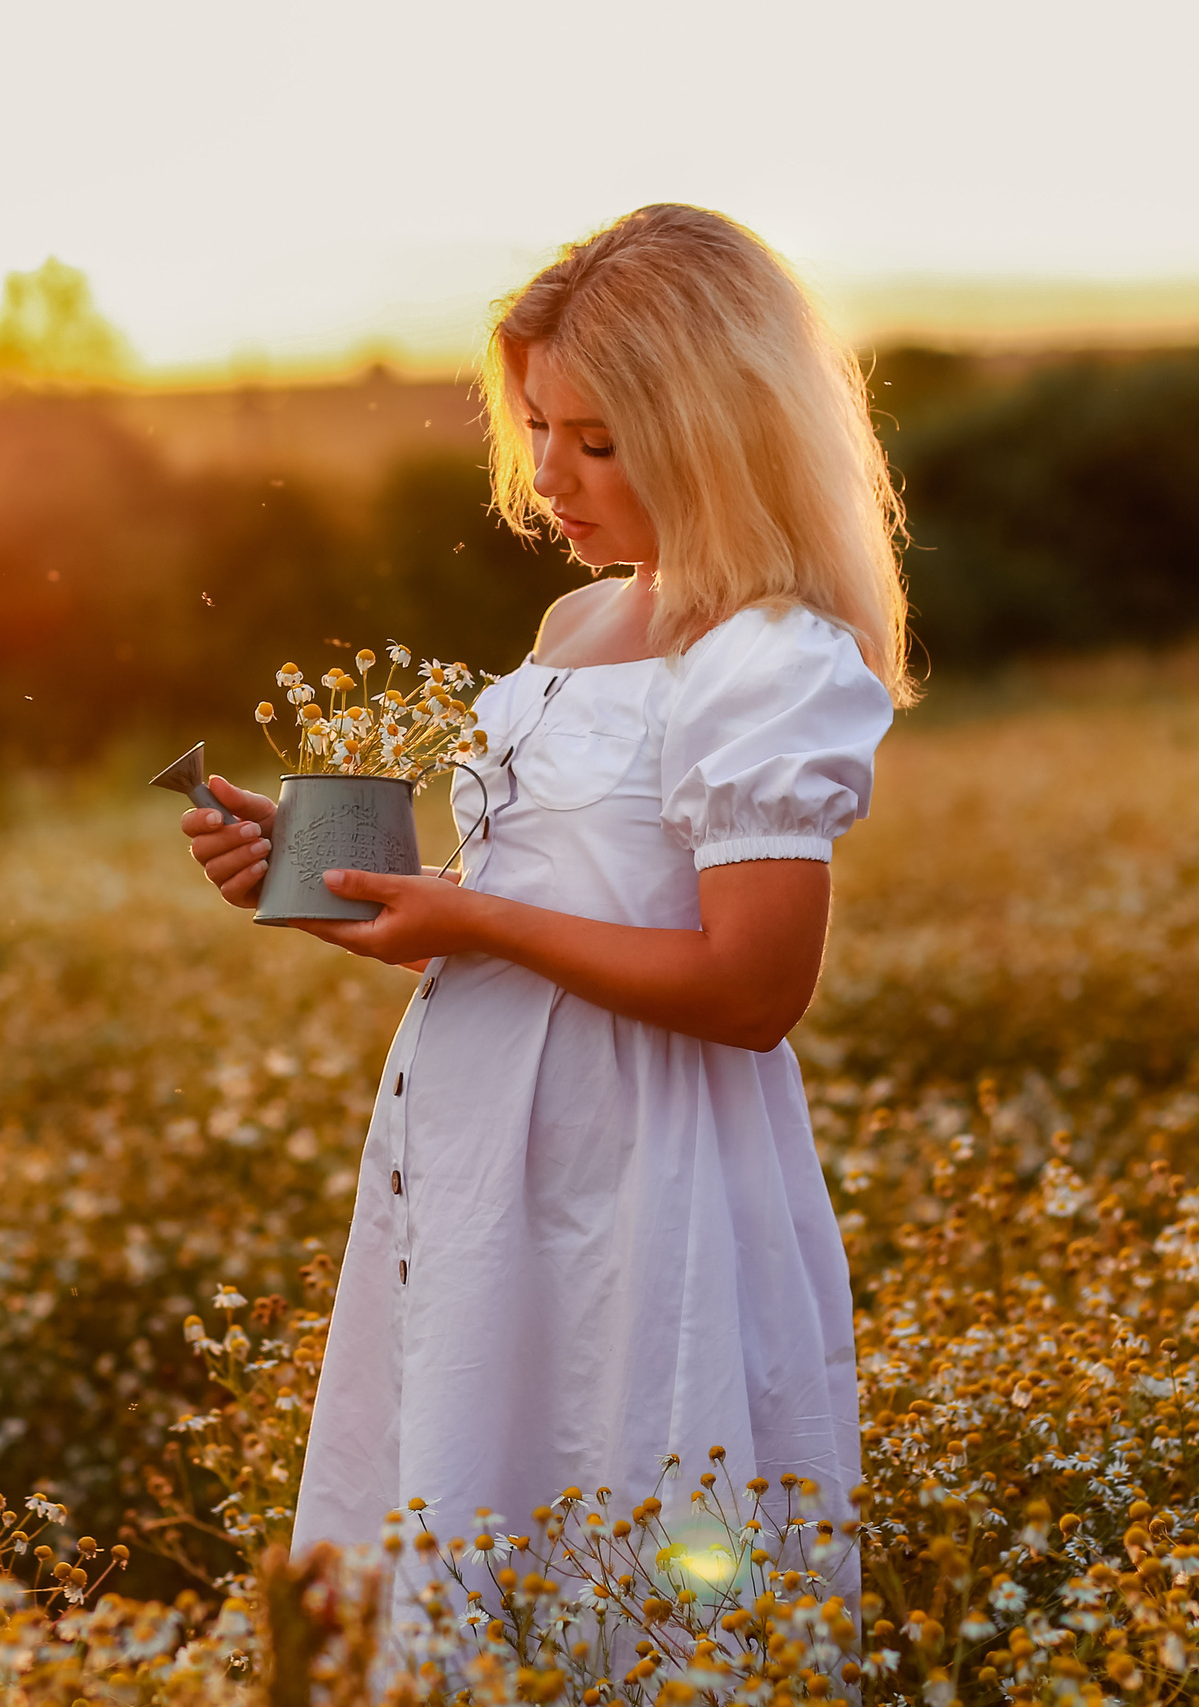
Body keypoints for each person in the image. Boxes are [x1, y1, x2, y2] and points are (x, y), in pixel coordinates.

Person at [179, 205, 914, 1581]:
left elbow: (753, 989)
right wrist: (330, 883)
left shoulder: (765, 657)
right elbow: (524, 922)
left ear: (714, 432)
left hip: (645, 1163)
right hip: (478, 1155)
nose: (551, 477)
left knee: (626, 1501)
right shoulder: (574, 626)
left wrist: (470, 916)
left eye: (599, 442)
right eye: (536, 429)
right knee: (472, 1507)